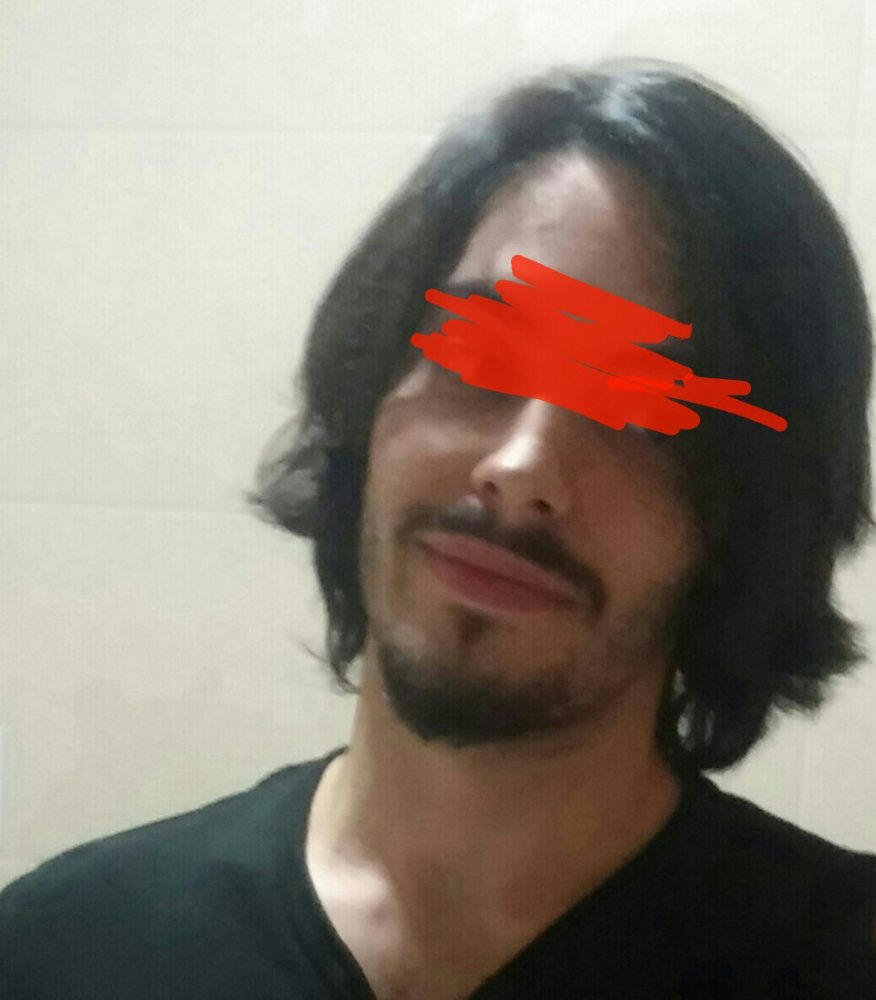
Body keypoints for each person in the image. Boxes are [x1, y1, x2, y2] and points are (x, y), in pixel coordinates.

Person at [2, 58, 875, 999]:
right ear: (367, 397)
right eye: (481, 352)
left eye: (642, 407)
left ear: (746, 527)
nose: (523, 465)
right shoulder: (61, 953)